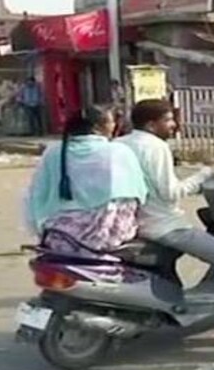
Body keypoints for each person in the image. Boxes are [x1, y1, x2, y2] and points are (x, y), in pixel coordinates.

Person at [117, 99, 214, 347]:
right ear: (151, 124)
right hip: (163, 225)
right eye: (168, 119)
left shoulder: (120, 144)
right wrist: (201, 176)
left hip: (130, 224)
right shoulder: (155, 147)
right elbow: (170, 192)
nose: (174, 125)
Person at [24, 105, 148, 259]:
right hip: (109, 237)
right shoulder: (119, 151)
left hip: (60, 237)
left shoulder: (54, 152)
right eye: (111, 122)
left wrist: (39, 228)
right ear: (98, 127)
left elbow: (36, 195)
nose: (114, 126)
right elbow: (140, 194)